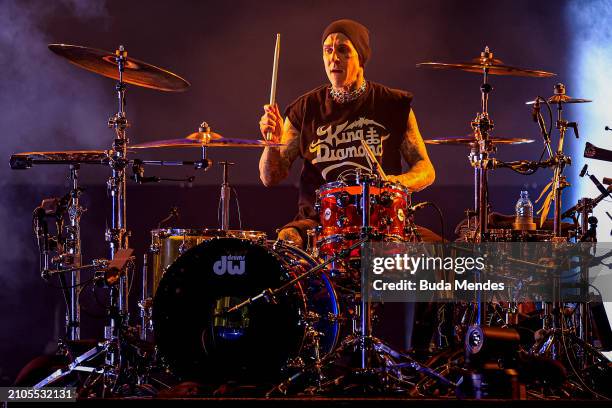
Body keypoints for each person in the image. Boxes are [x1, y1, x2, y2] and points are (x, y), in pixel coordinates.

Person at [259, 19, 436, 248]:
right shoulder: (304, 110)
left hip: (382, 221)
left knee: (444, 257)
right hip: (320, 222)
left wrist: (396, 183)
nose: (334, 58)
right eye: (328, 50)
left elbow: (426, 169)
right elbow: (270, 177)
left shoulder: (393, 105)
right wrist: (271, 143)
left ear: (360, 57)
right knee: (288, 241)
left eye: (343, 50)